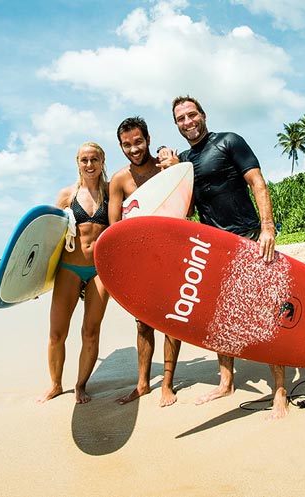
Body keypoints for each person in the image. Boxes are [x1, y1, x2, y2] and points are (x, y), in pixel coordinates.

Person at [158, 95, 288, 419]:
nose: (187, 122)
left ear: (203, 115)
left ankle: (281, 391)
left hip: (249, 239)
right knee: (220, 317)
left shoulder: (229, 142)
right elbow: (185, 211)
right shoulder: (184, 161)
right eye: (180, 119)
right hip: (214, 247)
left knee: (266, 313)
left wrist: (268, 228)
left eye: (191, 115)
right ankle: (226, 382)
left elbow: (257, 182)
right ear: (176, 125)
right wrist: (175, 175)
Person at [108, 116, 182, 407]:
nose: (134, 149)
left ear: (148, 140)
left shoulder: (166, 168)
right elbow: (114, 227)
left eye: (138, 142)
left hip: (171, 255)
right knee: (143, 325)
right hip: (139, 262)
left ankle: (167, 384)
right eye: (127, 145)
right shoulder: (119, 180)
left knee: (171, 323)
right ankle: (142, 384)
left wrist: (171, 162)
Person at [37, 142, 110, 404]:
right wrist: (34, 280)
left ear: (102, 161)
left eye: (94, 159)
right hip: (69, 267)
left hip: (99, 271)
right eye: (84, 160)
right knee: (57, 333)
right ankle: (56, 384)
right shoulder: (67, 194)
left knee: (90, 332)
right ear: (77, 162)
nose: (89, 165)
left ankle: (81, 385)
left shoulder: (112, 193)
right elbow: (49, 239)